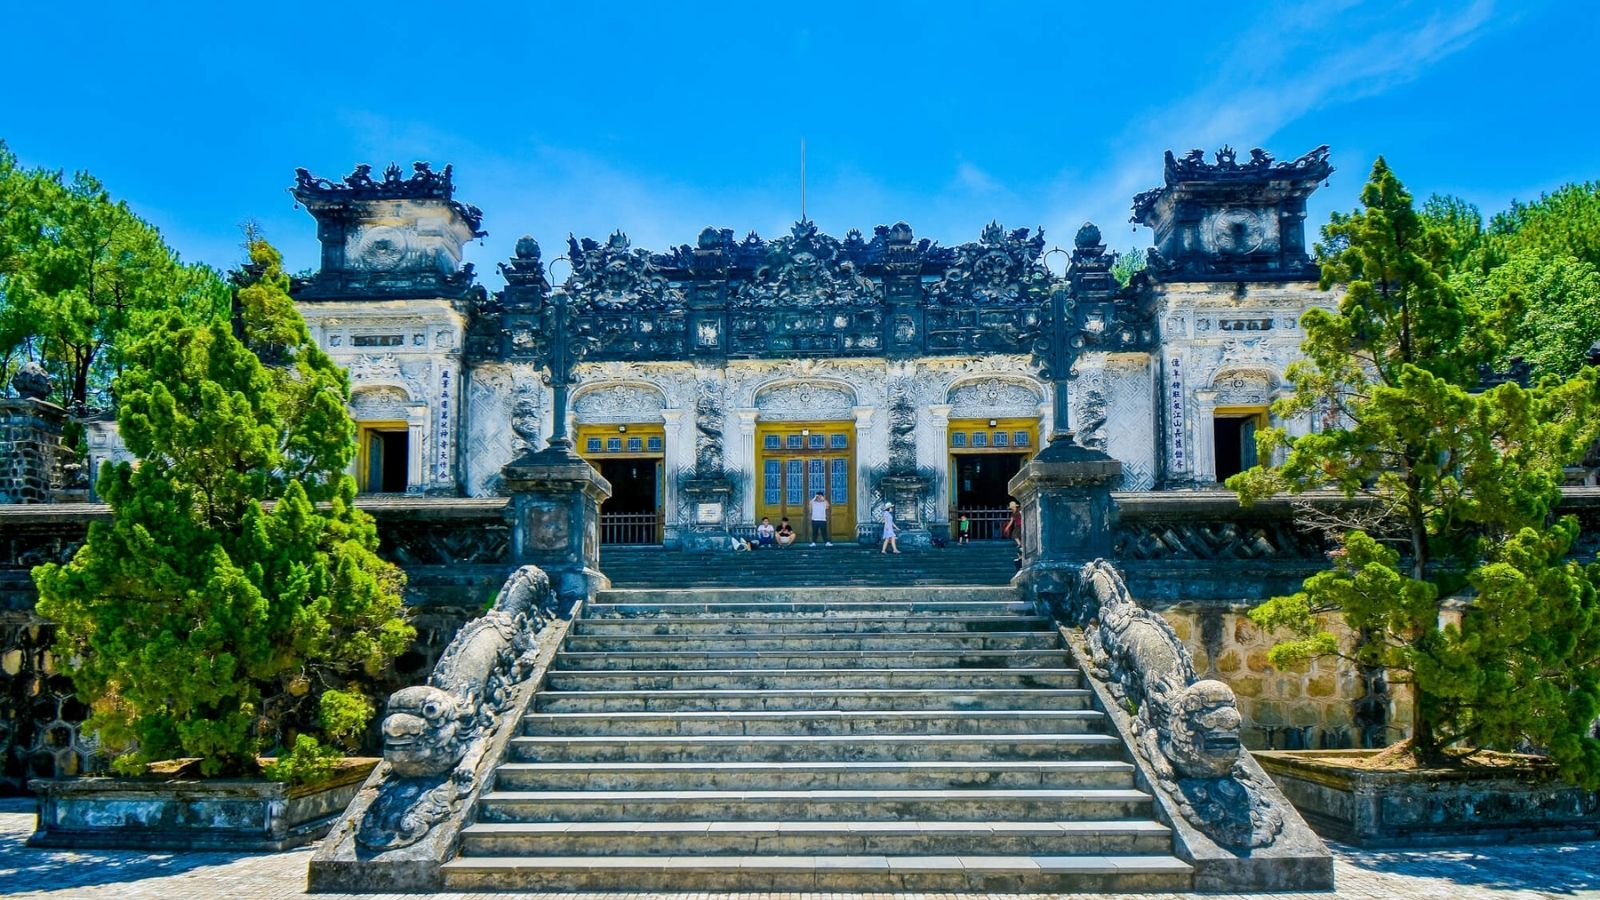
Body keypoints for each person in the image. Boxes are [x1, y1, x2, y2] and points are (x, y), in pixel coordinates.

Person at [1002, 500, 1023, 567]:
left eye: (1013, 507)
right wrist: (1007, 528)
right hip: (1017, 526)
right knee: (1014, 535)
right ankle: (1020, 544)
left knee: (1018, 535)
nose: (1012, 508)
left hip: (1022, 525)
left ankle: (1020, 545)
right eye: (1012, 508)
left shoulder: (1019, 510)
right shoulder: (1013, 514)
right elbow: (1011, 521)